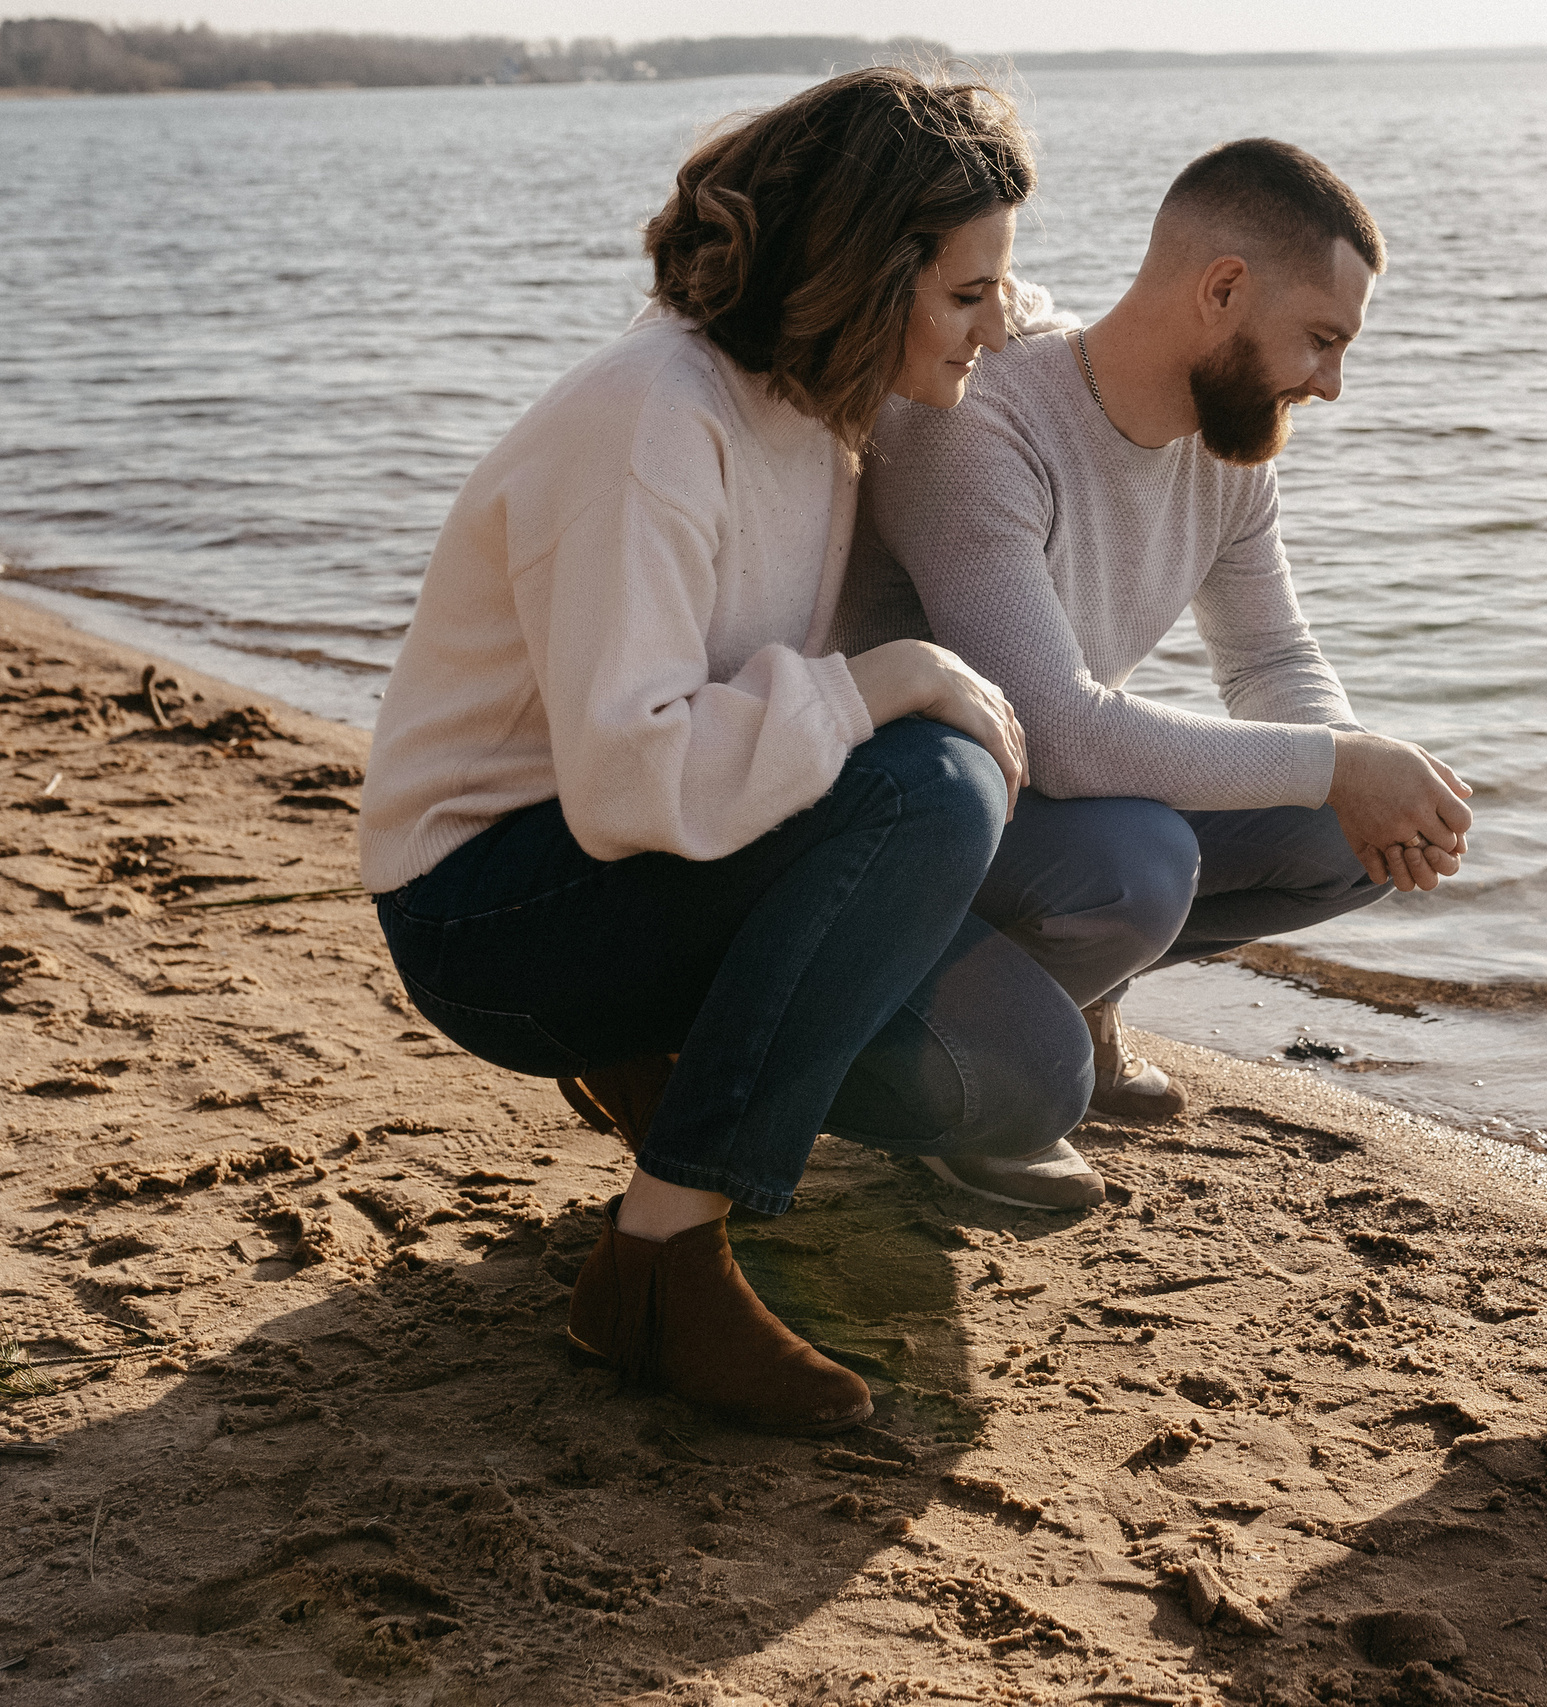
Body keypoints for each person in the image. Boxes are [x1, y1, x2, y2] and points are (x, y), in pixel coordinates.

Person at [357, 69, 1095, 1436]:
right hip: (485, 907)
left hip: (616, 859)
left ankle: (650, 1069)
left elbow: (1040, 327)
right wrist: (898, 675)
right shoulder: (654, 419)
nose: (999, 324)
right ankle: (660, 1262)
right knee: (935, 784)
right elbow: (632, 773)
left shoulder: (814, 399)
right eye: (967, 294)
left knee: (1021, 1073)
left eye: (1005, 288)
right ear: (867, 279)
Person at [847, 138, 1473, 1155]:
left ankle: (1078, 993)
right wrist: (1338, 764)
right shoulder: (981, 425)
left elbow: (1269, 660)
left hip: (1050, 799)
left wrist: (1357, 766)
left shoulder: (1229, 452)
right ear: (1222, 289)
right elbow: (1059, 739)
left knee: (1349, 836)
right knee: (1139, 867)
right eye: (1320, 339)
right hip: (929, 814)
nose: (1331, 385)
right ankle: (953, 1033)